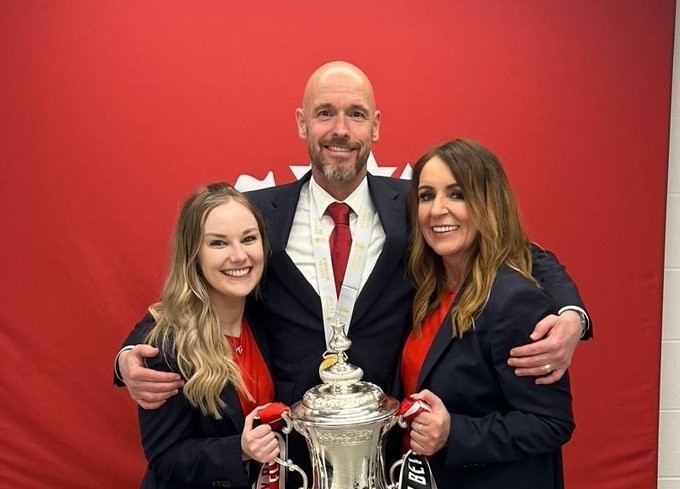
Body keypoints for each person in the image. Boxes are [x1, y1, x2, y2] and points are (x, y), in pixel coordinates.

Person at [114, 63, 589, 480]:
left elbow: (514, 249)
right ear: (302, 122)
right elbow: (190, 288)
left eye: (356, 114)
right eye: (325, 113)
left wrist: (572, 314)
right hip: (288, 454)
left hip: (390, 451)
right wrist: (131, 356)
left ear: (375, 126)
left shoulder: (415, 205)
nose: (340, 129)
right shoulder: (258, 215)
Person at [401, 139, 574, 488]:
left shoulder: (515, 302)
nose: (437, 210)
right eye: (426, 196)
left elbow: (551, 423)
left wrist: (453, 433)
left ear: (488, 203)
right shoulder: (425, 289)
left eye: (457, 194)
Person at [133, 182, 280, 489]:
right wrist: (239, 449)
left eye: (248, 239)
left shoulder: (264, 314)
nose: (239, 255)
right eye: (218, 243)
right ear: (193, 254)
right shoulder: (167, 345)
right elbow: (165, 457)